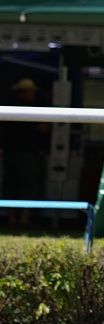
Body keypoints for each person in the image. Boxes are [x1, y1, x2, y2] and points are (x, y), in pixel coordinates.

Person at [0, 78, 50, 227]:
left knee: (11, 184)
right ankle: (23, 218)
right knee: (26, 186)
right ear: (25, 92)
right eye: (31, 91)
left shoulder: (9, 107)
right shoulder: (33, 109)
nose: (33, 94)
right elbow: (43, 129)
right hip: (27, 153)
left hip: (10, 153)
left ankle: (12, 218)